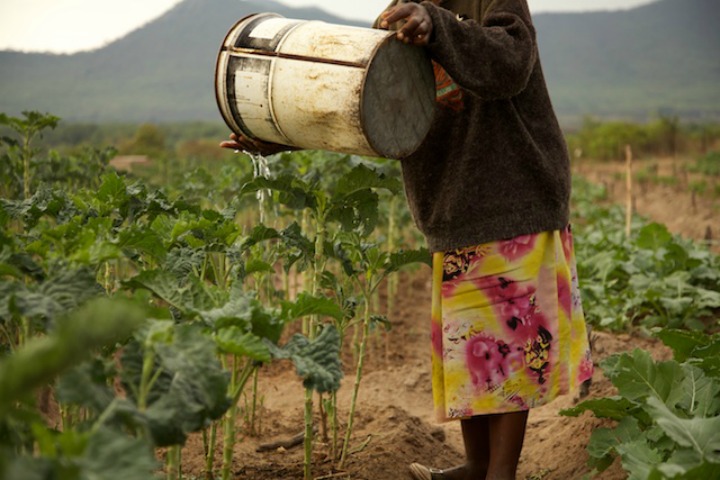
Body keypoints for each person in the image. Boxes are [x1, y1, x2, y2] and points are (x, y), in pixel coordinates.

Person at [221, 1, 594, 478]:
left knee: (507, 354)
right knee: (471, 345)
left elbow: (509, 65)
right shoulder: (402, 14)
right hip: (452, 204)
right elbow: (373, 102)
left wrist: (436, 24)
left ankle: (499, 473)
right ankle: (477, 465)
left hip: (514, 192)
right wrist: (280, 131)